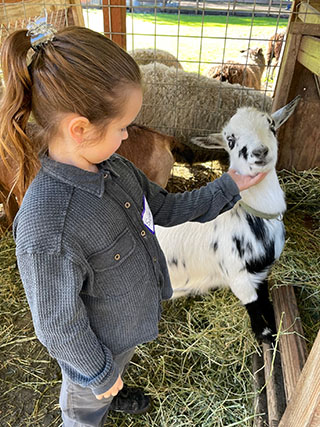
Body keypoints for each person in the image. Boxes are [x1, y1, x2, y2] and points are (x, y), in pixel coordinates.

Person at [0, 16, 267, 427]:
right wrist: (98, 373)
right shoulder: (48, 226)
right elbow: (58, 324)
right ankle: (100, 396)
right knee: (84, 409)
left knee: (111, 375)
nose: (129, 136)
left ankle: (113, 388)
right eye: (123, 126)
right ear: (80, 128)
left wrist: (229, 185)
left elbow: (164, 208)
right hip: (94, 351)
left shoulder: (116, 168)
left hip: (123, 332)